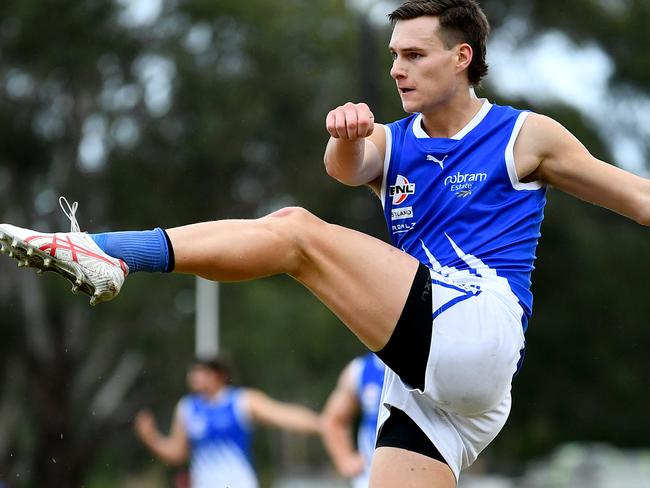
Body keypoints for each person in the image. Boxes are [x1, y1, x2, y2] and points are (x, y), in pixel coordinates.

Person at [0, 0, 649, 485]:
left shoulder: (524, 134)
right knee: (297, 233)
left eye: (414, 54)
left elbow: (637, 197)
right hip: (435, 385)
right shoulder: (393, 140)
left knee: (296, 232)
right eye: (393, 54)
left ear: (463, 57)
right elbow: (347, 167)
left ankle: (113, 252)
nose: (398, 68)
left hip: (480, 324)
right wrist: (345, 134)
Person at [133, 356, 321, 488]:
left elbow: (282, 414)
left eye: (201, 372)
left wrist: (321, 424)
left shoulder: (241, 401)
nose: (194, 378)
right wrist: (151, 438)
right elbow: (176, 454)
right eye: (193, 373)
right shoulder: (187, 408)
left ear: (218, 376)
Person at [321, 353, 385, 488]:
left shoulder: (431, 359)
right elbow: (333, 420)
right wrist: (344, 460)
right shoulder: (360, 369)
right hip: (371, 478)